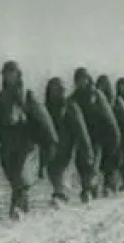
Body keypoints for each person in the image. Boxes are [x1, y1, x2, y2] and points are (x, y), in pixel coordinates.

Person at [0, 61, 58, 218]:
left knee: (21, 177)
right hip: (6, 146)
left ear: (18, 75)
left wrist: (50, 140)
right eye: (6, 74)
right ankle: (21, 208)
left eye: (12, 73)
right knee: (14, 179)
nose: (9, 77)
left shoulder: (27, 96)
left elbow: (42, 118)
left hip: (25, 145)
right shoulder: (0, 98)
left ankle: (18, 209)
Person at [40, 77, 93, 206]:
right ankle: (60, 192)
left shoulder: (71, 107)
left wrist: (86, 149)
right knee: (52, 169)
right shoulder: (46, 107)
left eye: (60, 89)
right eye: (54, 89)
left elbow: (81, 129)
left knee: (60, 167)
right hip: (51, 145)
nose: (58, 92)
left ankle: (61, 193)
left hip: (67, 143)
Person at [69, 68, 121, 199]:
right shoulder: (74, 97)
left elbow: (107, 115)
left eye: (83, 79)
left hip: (99, 134)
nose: (81, 82)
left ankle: (91, 188)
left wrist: (113, 134)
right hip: (82, 135)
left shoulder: (96, 95)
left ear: (88, 79)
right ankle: (90, 187)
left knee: (93, 162)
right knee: (81, 162)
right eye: (78, 79)